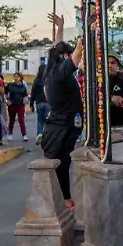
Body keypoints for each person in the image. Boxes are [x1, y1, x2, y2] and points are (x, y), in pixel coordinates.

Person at [42, 38, 84, 211]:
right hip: (62, 126)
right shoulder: (60, 73)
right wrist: (82, 43)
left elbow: (58, 48)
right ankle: (63, 199)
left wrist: (60, 28)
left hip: (61, 124)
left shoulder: (53, 72)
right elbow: (74, 60)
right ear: (64, 56)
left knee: (62, 162)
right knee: (62, 163)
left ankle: (61, 198)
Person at [5, 72, 29, 141]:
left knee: (21, 119)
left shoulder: (23, 86)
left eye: (17, 76)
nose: (16, 78)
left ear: (20, 78)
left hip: (20, 105)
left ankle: (24, 135)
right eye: (14, 76)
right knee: (11, 120)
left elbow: (25, 95)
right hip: (12, 105)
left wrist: (26, 100)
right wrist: (7, 100)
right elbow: (4, 93)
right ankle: (10, 133)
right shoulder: (10, 85)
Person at [31, 64, 50, 145]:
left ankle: (40, 133)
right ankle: (48, 136)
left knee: (40, 120)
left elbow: (33, 93)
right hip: (48, 103)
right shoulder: (49, 80)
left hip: (39, 103)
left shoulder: (36, 81)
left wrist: (31, 104)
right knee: (48, 120)